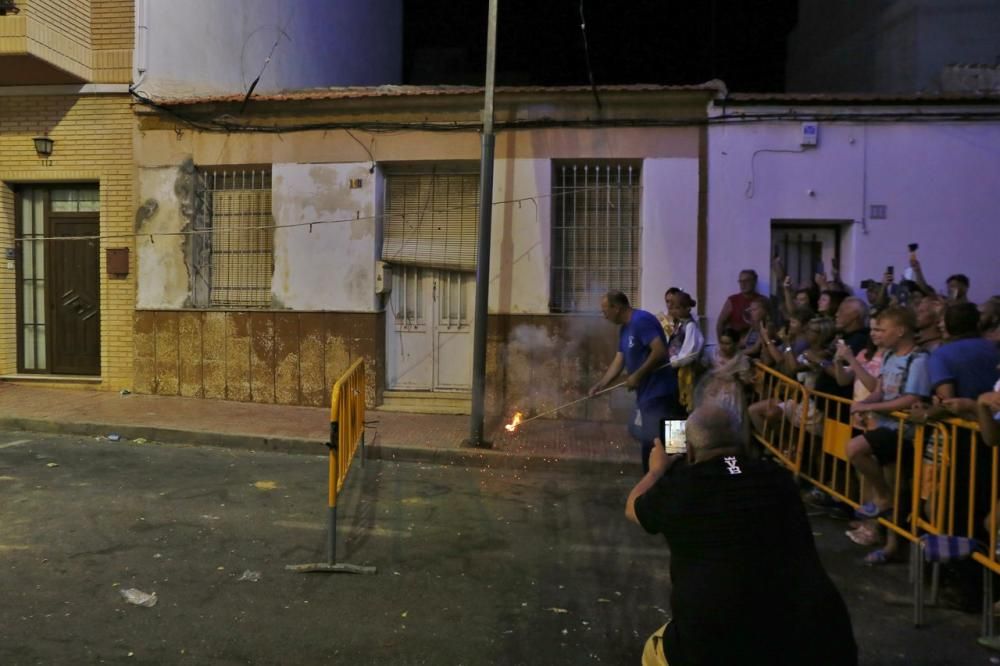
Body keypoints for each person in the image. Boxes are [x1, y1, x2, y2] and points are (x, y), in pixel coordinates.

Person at [626, 404, 858, 666]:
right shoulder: (778, 479)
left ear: (689, 450)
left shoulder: (683, 487)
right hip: (822, 639)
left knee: (653, 651)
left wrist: (657, 470)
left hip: (721, 644)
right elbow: (734, 475)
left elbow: (633, 508)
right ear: (745, 440)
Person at [846, 307, 931, 565]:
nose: (877, 335)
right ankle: (891, 541)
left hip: (905, 433)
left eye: (882, 329)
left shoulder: (918, 359)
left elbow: (910, 398)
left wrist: (868, 407)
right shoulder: (890, 356)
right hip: (884, 427)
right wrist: (864, 405)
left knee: (855, 450)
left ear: (901, 330)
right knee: (896, 489)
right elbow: (880, 391)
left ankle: (882, 502)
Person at [590, 290, 675, 473]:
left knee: (666, 446)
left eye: (605, 311)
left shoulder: (641, 321)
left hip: (662, 394)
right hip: (647, 396)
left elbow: (660, 352)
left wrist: (638, 375)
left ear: (617, 308)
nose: (604, 316)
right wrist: (601, 384)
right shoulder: (625, 328)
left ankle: (658, 487)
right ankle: (659, 484)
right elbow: (619, 360)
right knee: (648, 438)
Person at [666, 291, 704, 413]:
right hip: (675, 368)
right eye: (673, 308)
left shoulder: (690, 326)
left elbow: (689, 351)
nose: (674, 311)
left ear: (687, 309)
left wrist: (675, 361)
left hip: (683, 369)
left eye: (677, 308)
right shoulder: (679, 323)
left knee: (682, 404)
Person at [716, 269, 762, 340]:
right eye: (741, 281)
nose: (743, 284)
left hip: (756, 342)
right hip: (736, 344)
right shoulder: (732, 300)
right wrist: (722, 344)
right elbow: (720, 323)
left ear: (754, 281)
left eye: (746, 281)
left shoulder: (762, 300)